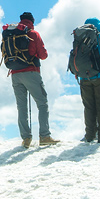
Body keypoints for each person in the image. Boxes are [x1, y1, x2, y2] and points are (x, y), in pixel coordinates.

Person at [5, 12, 59, 148]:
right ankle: (44, 135)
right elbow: (43, 55)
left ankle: (26, 139)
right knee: (42, 103)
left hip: (15, 74)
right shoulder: (33, 34)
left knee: (21, 107)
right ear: (32, 21)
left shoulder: (11, 33)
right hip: (31, 71)